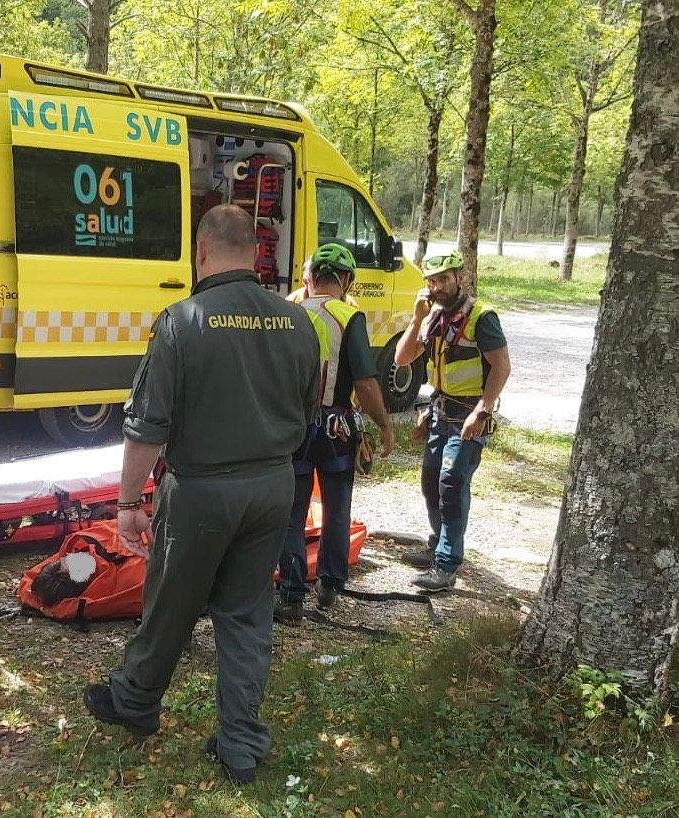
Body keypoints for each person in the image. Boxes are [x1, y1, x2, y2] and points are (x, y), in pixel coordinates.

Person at [83, 205, 321, 785]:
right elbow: (309, 407)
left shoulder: (182, 321)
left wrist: (127, 503)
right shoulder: (297, 323)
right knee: (245, 612)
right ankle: (241, 742)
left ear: (202, 251)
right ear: (256, 253)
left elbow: (146, 426)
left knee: (172, 600)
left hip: (201, 490)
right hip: (272, 486)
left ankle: (136, 700)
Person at [275, 243, 395, 623]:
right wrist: (384, 424)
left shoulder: (287, 314)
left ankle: (291, 594)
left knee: (291, 512)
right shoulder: (348, 316)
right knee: (336, 505)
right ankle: (329, 584)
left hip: (292, 426)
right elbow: (366, 381)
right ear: (346, 280)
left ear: (308, 278)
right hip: (336, 430)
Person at [394, 250, 511, 592]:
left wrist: (483, 410)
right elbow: (403, 358)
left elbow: (501, 366)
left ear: (460, 277)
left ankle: (446, 564)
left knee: (452, 481)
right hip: (439, 413)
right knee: (431, 479)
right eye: (432, 281)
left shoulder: (482, 318)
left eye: (444, 279)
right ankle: (437, 543)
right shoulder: (432, 316)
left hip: (468, 416)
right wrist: (417, 318)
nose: (438, 286)